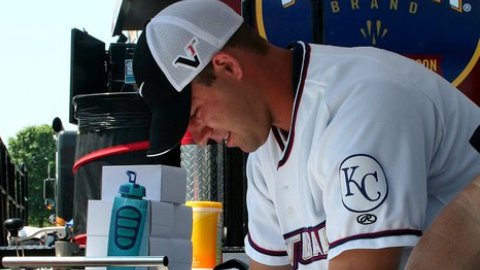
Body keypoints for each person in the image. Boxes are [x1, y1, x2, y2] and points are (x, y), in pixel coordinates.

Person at [132, 0, 480, 269]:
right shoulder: (265, 152)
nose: (201, 136)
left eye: (195, 114)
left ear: (227, 67)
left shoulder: (361, 101)